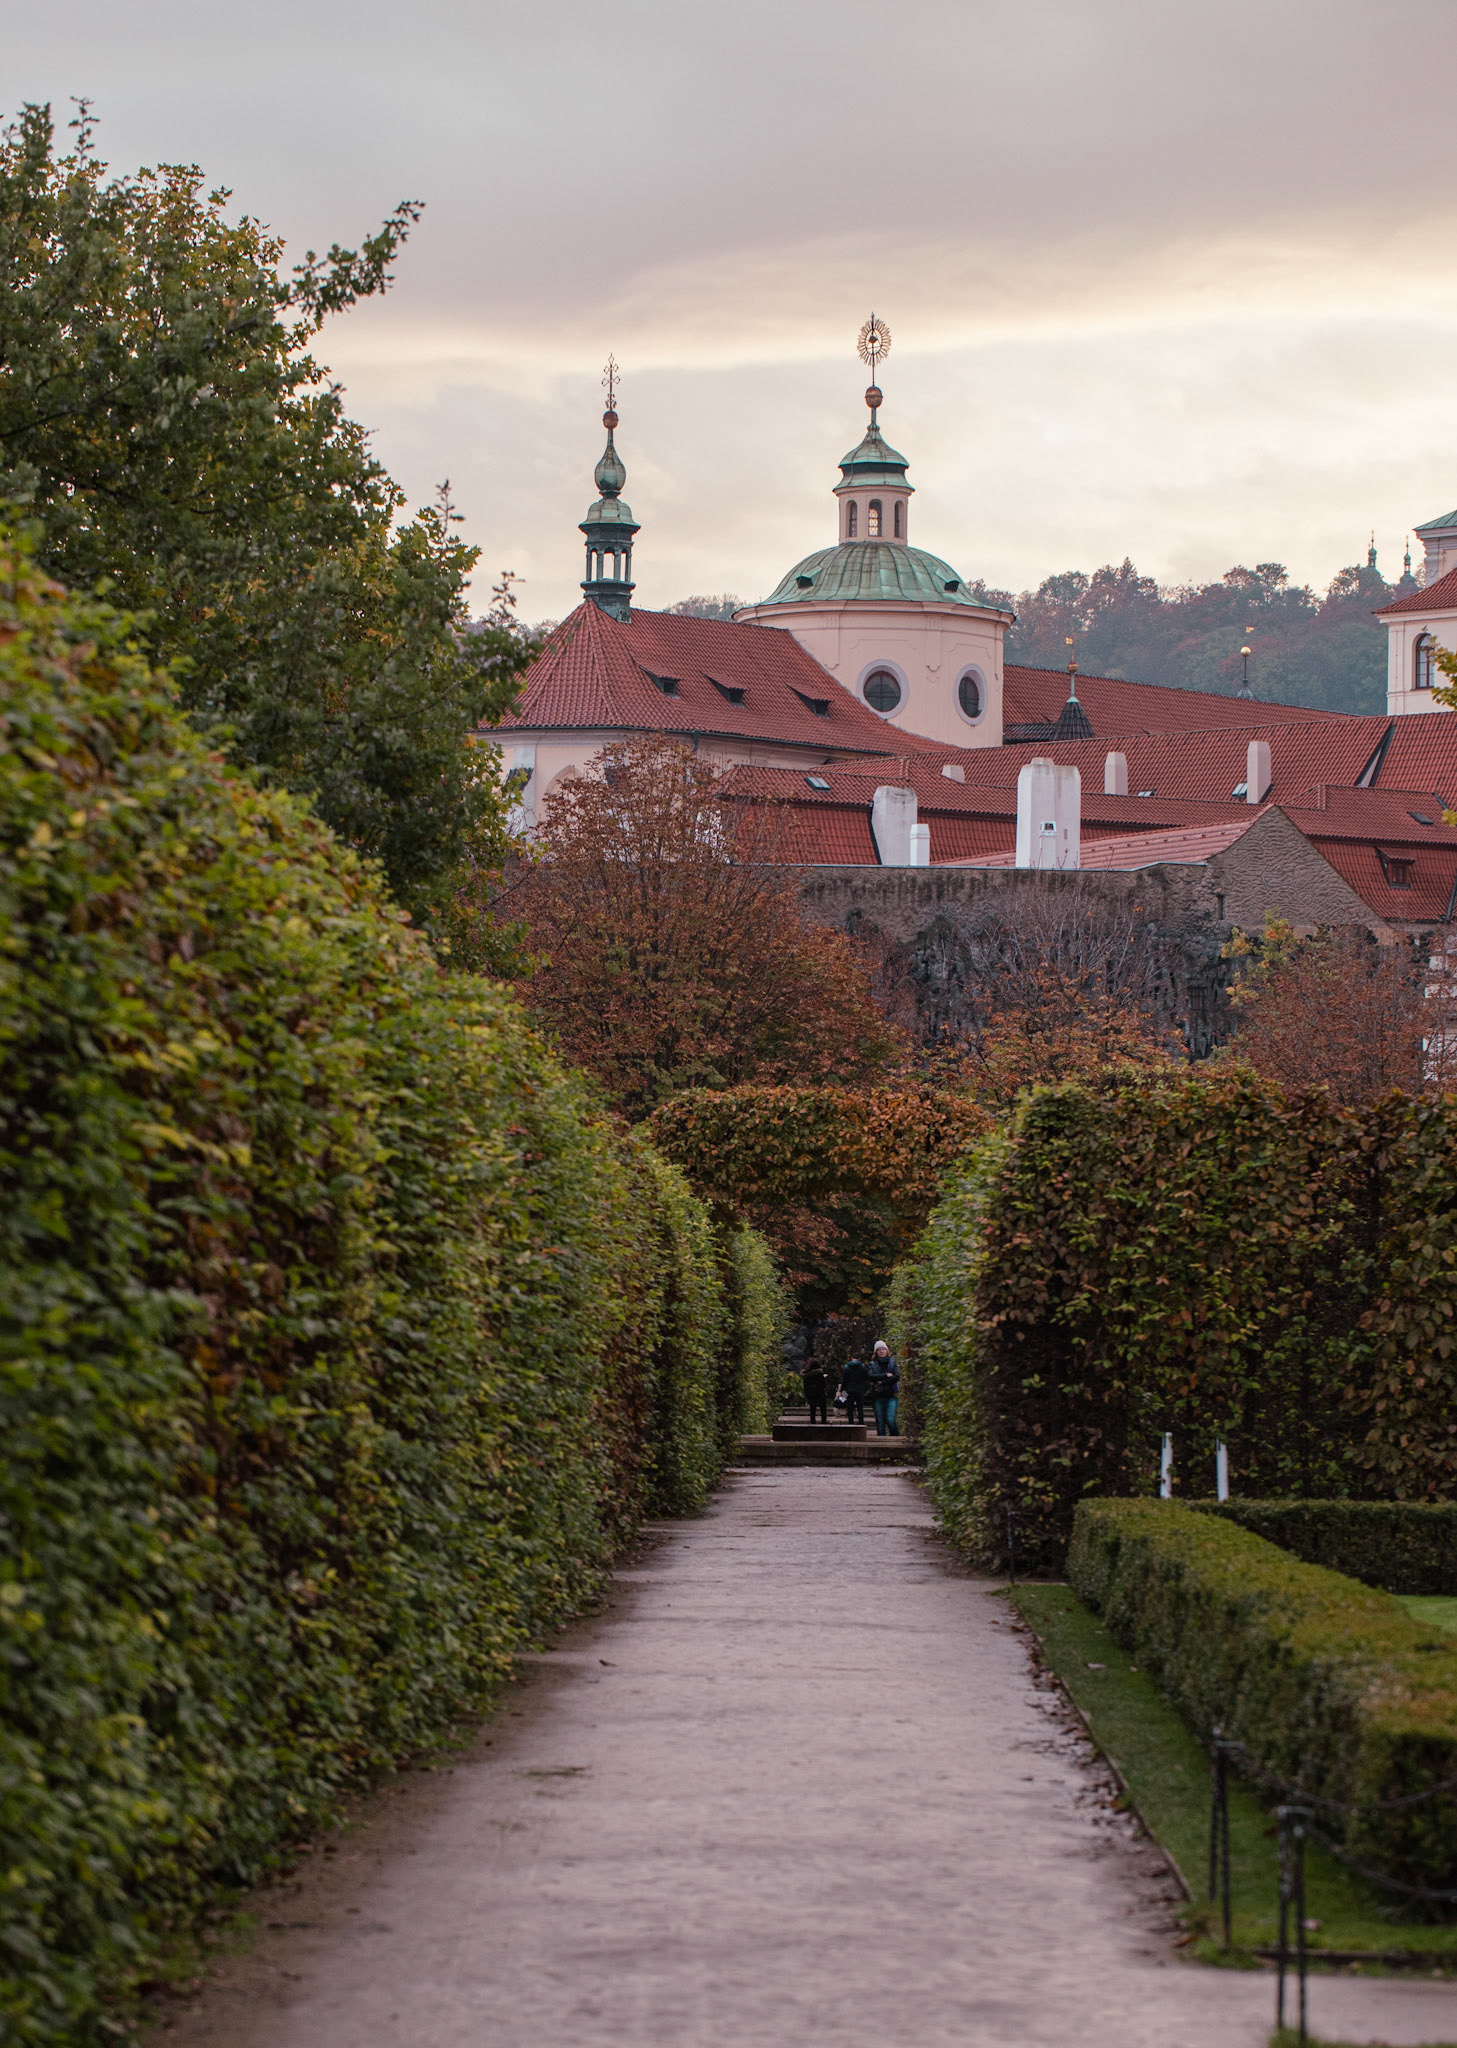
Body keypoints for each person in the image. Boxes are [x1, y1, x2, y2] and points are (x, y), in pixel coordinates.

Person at [868, 1340, 900, 1437]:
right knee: (880, 1421)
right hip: (878, 1395)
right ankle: (881, 1441)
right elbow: (871, 1376)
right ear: (876, 1352)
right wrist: (886, 1375)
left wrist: (882, 1381)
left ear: (887, 1350)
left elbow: (896, 1376)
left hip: (891, 1395)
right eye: (879, 1350)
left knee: (890, 1419)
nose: (882, 1351)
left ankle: (895, 1439)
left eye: (883, 1349)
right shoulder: (872, 1364)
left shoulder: (892, 1362)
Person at [839, 1351, 870, 1426]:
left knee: (850, 1408)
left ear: (851, 1358)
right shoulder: (863, 1367)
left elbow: (844, 1380)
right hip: (860, 1390)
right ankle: (861, 1423)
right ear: (859, 1359)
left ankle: (851, 1424)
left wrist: (841, 1390)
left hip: (849, 1390)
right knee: (860, 1408)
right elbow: (867, 1378)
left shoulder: (847, 1367)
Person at [801, 1355, 830, 1426]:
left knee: (812, 1410)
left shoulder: (806, 1375)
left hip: (811, 1394)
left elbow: (805, 1386)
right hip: (820, 1394)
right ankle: (823, 1423)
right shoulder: (819, 1373)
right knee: (823, 1410)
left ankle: (813, 1423)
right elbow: (824, 1384)